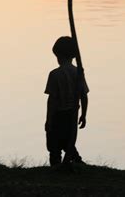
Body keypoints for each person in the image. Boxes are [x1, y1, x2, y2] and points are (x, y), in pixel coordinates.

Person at [44, 36, 89, 167]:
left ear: (59, 56)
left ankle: (57, 165)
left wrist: (48, 119)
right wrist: (84, 115)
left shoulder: (54, 74)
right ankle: (75, 160)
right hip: (72, 114)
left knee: (54, 144)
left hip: (58, 114)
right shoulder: (78, 73)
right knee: (67, 140)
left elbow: (52, 100)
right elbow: (84, 96)